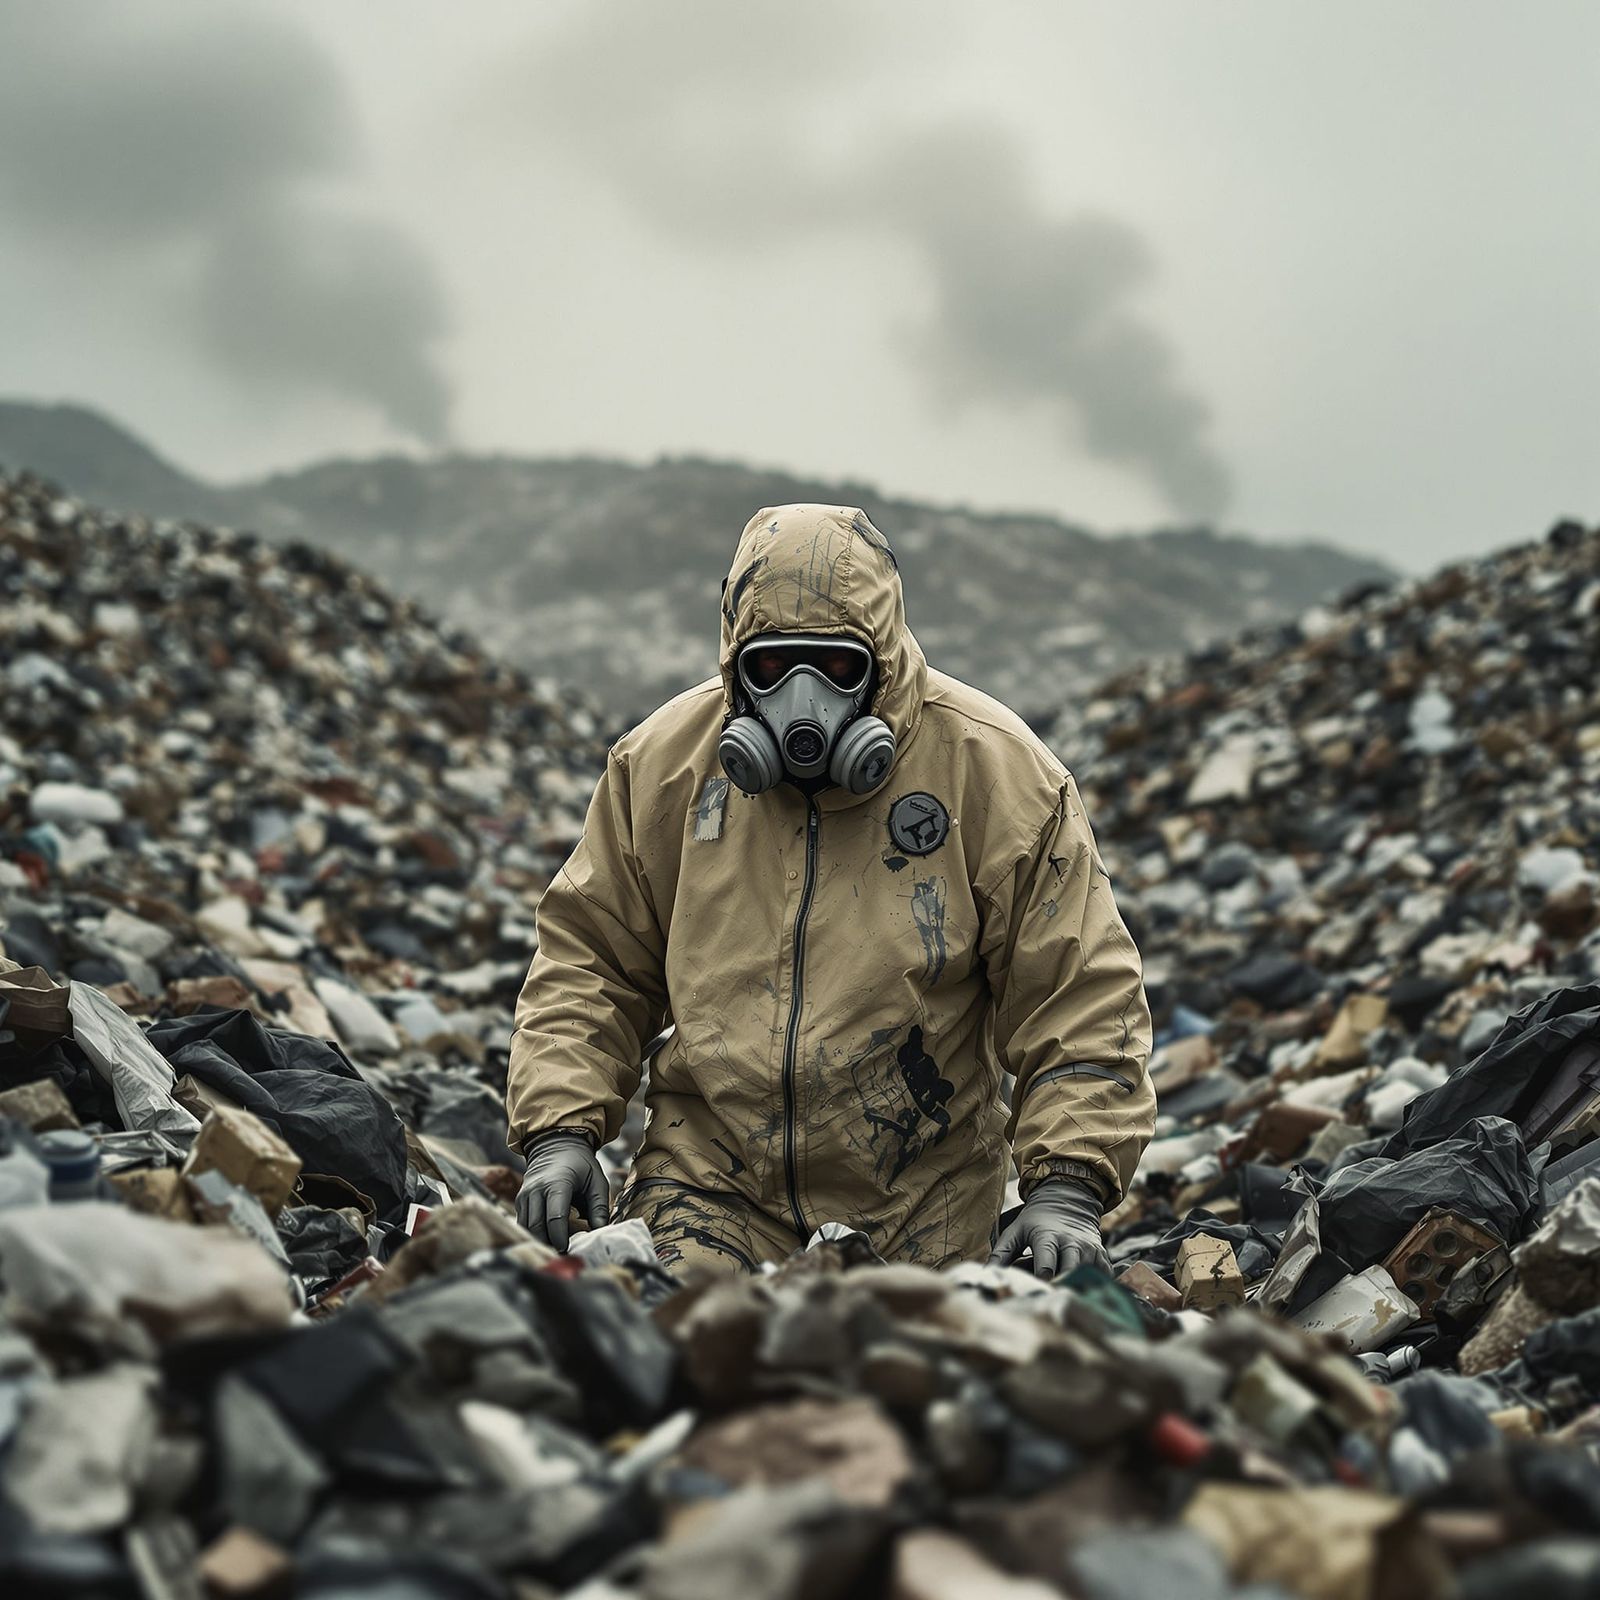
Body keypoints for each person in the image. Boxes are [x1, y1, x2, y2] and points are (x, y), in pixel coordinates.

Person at [506, 502, 1155, 1276]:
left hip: (927, 1212)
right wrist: (560, 1134)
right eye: (772, 669)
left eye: (838, 667)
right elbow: (592, 963)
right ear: (734, 668)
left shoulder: (998, 775)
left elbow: (1077, 994)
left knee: (917, 1385)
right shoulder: (663, 770)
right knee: (674, 1363)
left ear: (884, 657)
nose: (802, 700)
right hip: (708, 1193)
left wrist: (1066, 1189)